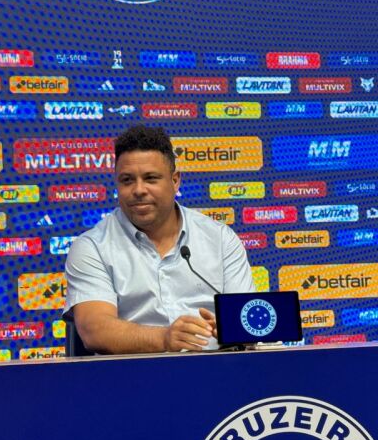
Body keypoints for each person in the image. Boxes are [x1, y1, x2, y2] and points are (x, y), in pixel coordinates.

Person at [65, 125, 255, 353]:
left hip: (217, 371)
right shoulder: (92, 247)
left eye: (151, 178)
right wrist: (164, 338)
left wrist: (231, 329)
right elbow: (95, 330)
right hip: (133, 378)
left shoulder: (220, 238)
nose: (138, 190)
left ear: (175, 181)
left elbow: (249, 323)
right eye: (127, 180)